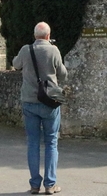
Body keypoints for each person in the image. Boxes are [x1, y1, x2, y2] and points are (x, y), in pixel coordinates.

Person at [12, 22, 67, 195]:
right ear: (48, 36)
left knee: (33, 143)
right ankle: (50, 184)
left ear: (35, 35)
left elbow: (16, 64)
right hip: (49, 102)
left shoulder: (25, 50)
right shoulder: (54, 50)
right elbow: (63, 73)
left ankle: (35, 184)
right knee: (51, 142)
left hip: (29, 101)